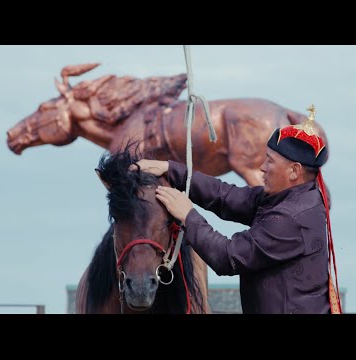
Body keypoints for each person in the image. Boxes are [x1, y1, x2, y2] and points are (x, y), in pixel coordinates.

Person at [131, 104, 342, 314]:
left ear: (294, 171)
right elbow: (226, 196)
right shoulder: (292, 197)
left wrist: (188, 215)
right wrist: (173, 169)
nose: (263, 167)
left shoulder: (290, 218)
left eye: (270, 161)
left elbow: (227, 257)